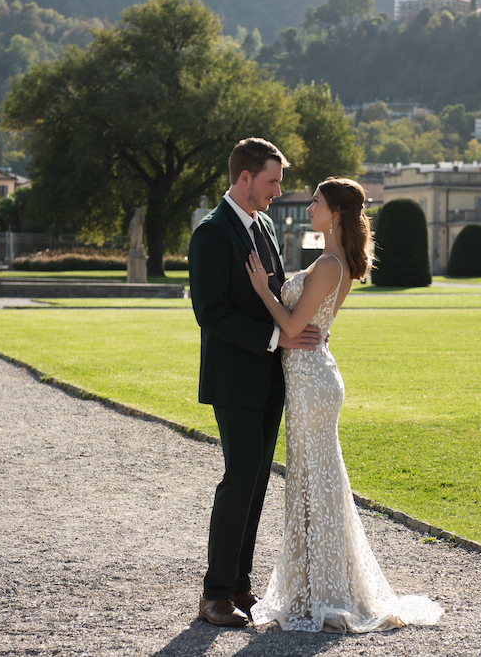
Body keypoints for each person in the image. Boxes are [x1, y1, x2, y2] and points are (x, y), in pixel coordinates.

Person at [245, 177, 444, 633]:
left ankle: (332, 592)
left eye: (314, 201)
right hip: (309, 378)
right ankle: (316, 588)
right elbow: (312, 326)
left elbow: (296, 324)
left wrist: (263, 290)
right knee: (312, 484)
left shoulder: (332, 265)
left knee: (318, 484)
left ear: (334, 212)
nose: (308, 207)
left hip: (312, 384)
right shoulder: (333, 262)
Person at [189, 137, 321, 627]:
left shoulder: (263, 224)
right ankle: (214, 593)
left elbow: (276, 293)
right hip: (235, 381)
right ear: (244, 178)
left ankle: (241, 586)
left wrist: (301, 324)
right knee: (239, 478)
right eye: (271, 181)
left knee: (258, 482)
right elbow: (211, 313)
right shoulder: (211, 233)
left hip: (271, 378)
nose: (276, 191)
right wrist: (277, 338)